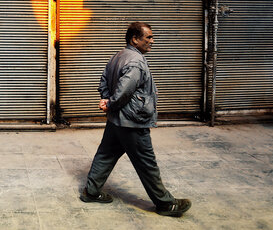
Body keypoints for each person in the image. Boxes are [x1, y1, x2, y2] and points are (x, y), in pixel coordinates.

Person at [79, 22, 191, 217]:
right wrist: (112, 103)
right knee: (146, 162)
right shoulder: (136, 61)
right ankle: (165, 204)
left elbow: (104, 80)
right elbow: (124, 90)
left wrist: (106, 100)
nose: (152, 41)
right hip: (131, 121)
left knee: (106, 155)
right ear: (135, 39)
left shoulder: (119, 56)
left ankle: (91, 191)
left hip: (117, 119)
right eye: (148, 37)